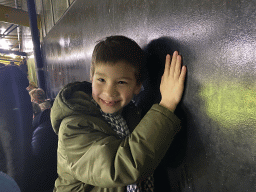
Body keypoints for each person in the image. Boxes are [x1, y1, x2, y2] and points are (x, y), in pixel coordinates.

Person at [50, 35, 187, 192]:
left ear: (137, 86)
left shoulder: (131, 114)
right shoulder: (72, 128)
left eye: (121, 82)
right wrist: (167, 105)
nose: (109, 92)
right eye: (101, 80)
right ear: (91, 77)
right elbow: (118, 167)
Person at [0, 65, 33, 192]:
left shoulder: (6, 91)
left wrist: (11, 186)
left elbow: (13, 148)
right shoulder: (10, 89)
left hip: (13, 179)